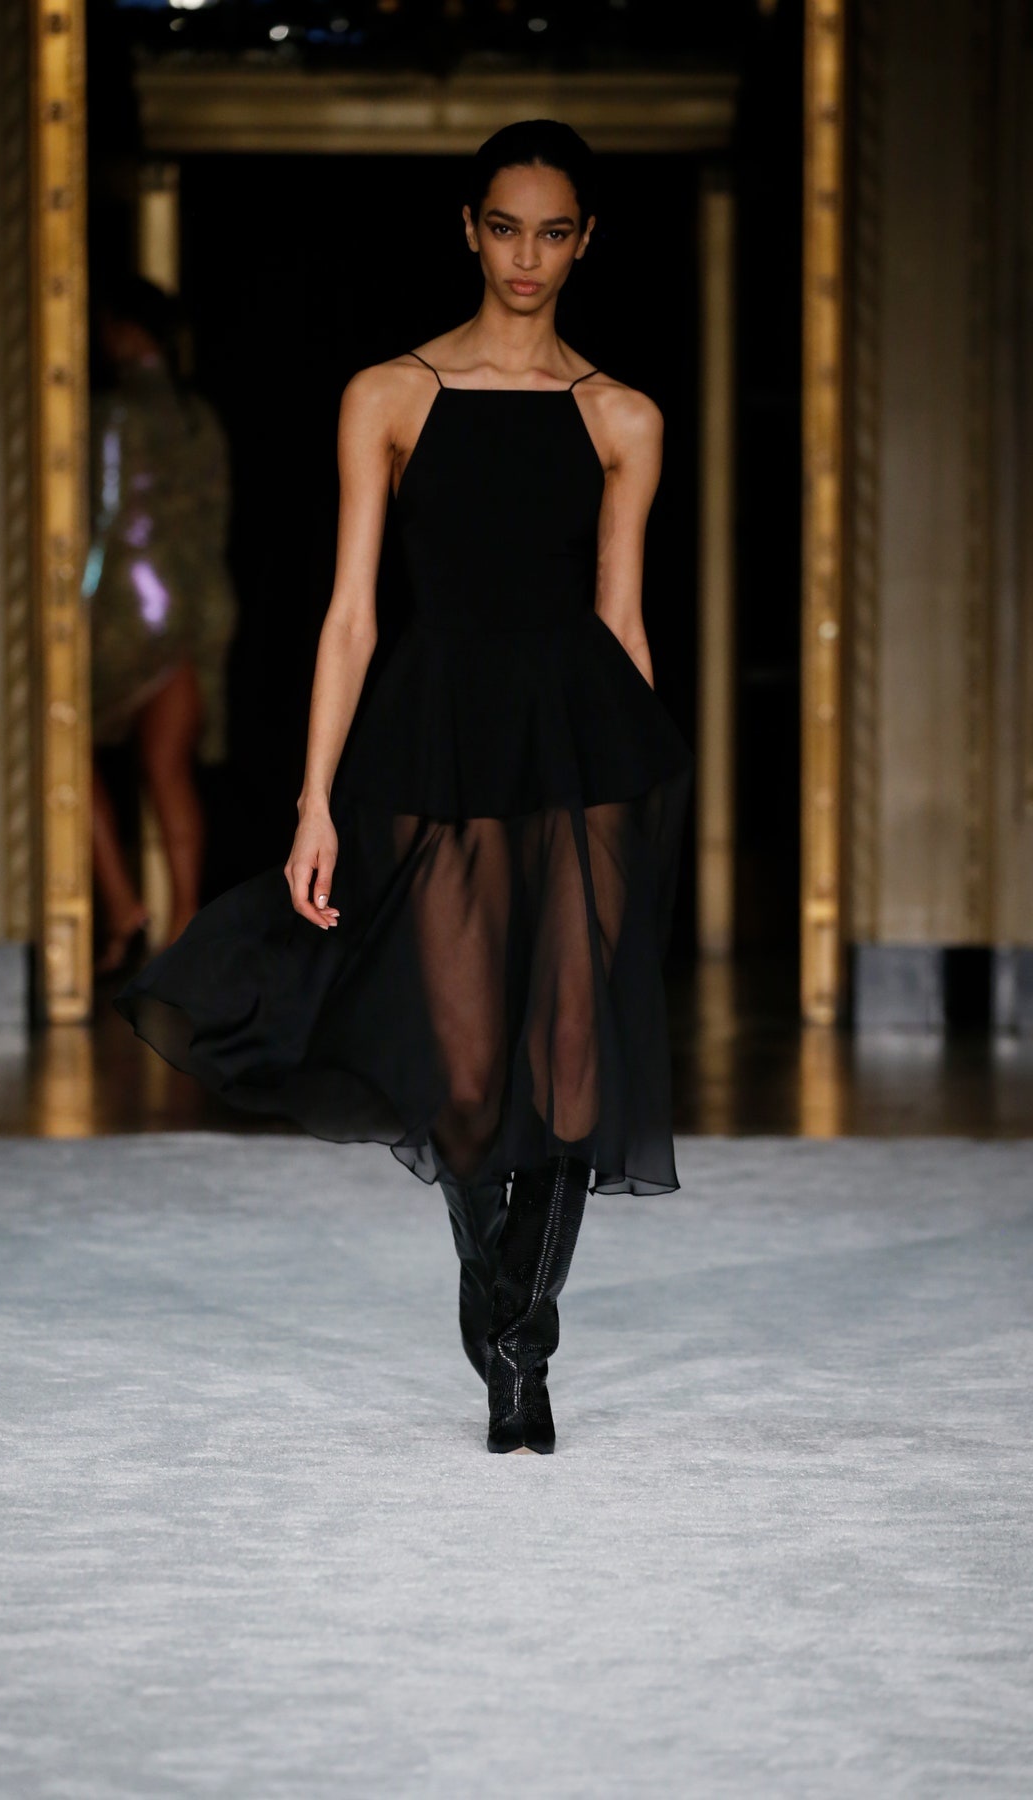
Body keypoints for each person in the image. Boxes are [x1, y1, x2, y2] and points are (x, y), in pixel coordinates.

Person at [116, 121, 693, 1454]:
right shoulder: (390, 395)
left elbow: (622, 619)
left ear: (586, 243)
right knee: (470, 1071)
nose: (528, 256)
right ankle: (506, 1311)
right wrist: (315, 799)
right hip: (432, 746)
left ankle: (520, 1354)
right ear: (470, 229)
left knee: (574, 1065)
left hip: (583, 750)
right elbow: (351, 617)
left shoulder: (624, 417)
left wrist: (637, 795)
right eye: (507, 227)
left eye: (555, 232)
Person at [85, 275, 239, 978]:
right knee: (169, 769)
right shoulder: (198, 417)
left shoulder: (114, 414)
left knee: (61, 748)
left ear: (123, 331)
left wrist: (78, 599)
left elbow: (104, 515)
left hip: (129, 605)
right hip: (199, 602)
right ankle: (184, 923)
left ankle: (124, 905)